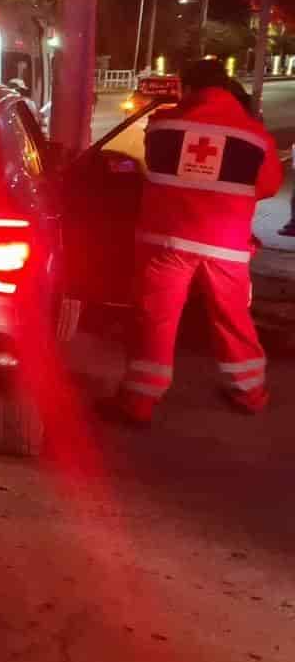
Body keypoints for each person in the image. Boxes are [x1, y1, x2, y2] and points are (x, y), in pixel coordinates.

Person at [110, 58, 283, 424]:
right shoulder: (255, 136)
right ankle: (250, 392)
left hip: (167, 241)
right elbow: (266, 186)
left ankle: (139, 401)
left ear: (188, 89)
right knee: (232, 319)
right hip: (225, 245)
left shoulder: (162, 126)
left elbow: (154, 167)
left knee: (156, 319)